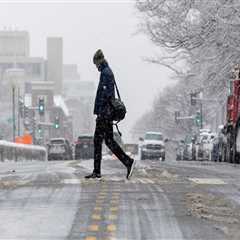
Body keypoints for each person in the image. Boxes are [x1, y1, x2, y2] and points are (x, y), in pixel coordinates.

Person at [85, 49, 136, 179]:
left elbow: (106, 94)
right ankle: (127, 162)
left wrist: (101, 112)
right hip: (105, 113)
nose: (95, 66)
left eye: (95, 64)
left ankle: (98, 171)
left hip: (104, 113)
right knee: (108, 141)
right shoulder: (106, 71)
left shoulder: (105, 73)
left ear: (99, 61)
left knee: (98, 140)